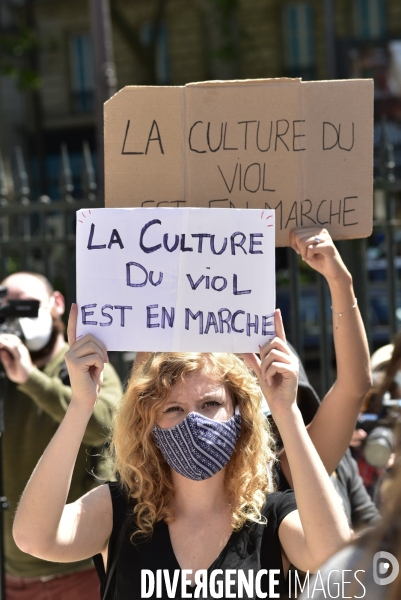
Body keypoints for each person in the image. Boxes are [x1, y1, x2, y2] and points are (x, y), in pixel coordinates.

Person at [13, 303, 351, 599]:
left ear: (240, 415)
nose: (194, 421)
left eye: (210, 403)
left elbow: (337, 559)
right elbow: (33, 538)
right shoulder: (119, 509)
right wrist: (81, 404)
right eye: (173, 408)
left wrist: (285, 409)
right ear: (150, 425)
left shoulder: (273, 515)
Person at [0, 272, 123, 600]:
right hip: (16, 573)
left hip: (78, 567)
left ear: (55, 303)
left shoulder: (84, 367)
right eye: (7, 311)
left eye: (25, 307)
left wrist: (30, 378)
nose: (18, 319)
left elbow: (108, 426)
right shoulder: (4, 374)